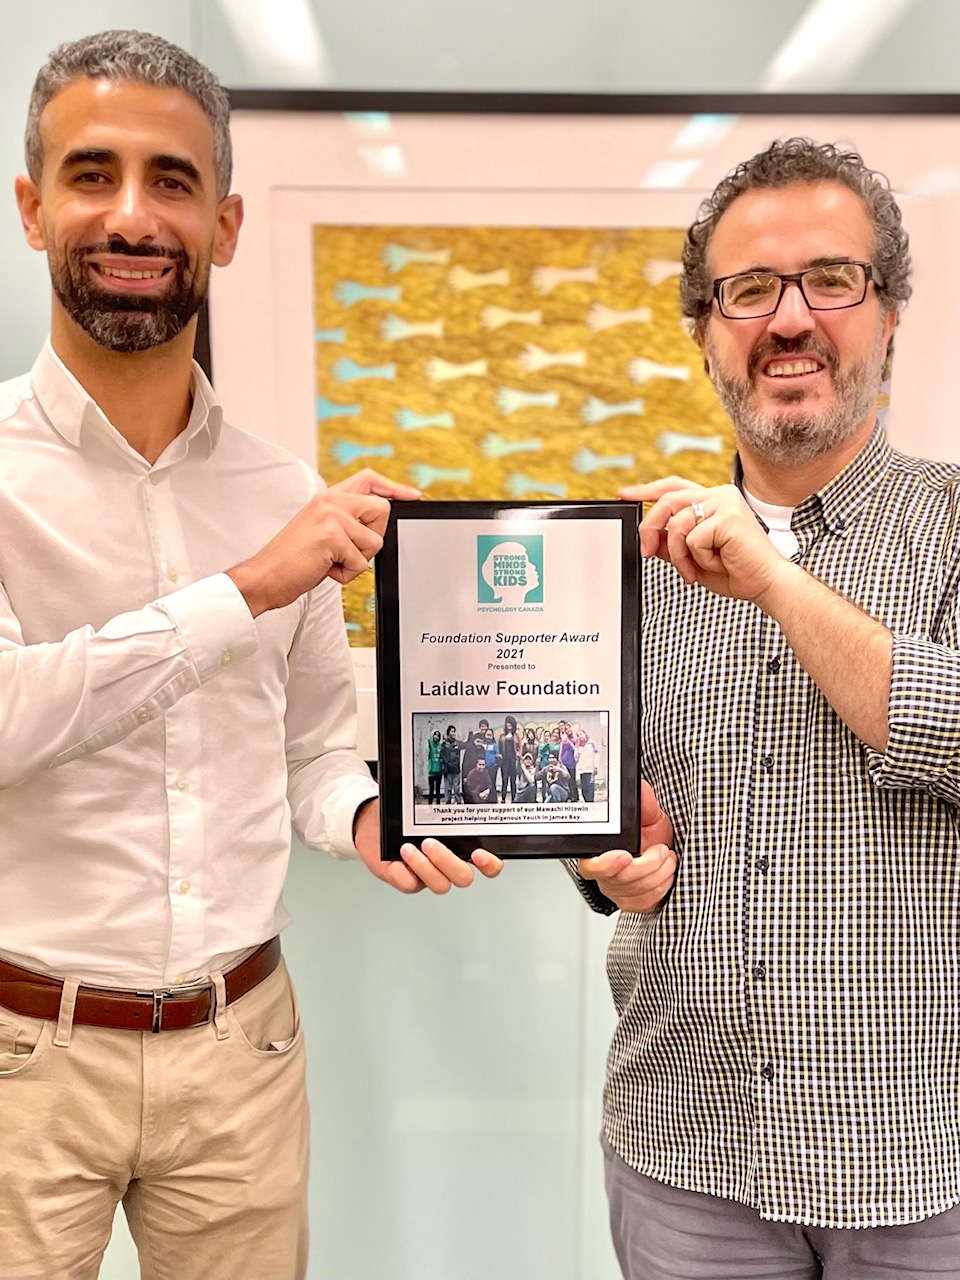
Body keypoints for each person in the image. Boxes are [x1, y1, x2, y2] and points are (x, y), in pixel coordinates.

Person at [0, 30, 501, 1280]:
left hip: (243, 1049)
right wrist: (247, 585)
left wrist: (373, 815)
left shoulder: (283, 486)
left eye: (172, 181)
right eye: (92, 173)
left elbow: (315, 748)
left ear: (223, 227)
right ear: (31, 207)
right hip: (23, 1056)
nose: (132, 213)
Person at [573, 137, 960, 1278]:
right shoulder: (632, 557)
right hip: (684, 1153)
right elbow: (596, 795)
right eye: (749, 291)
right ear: (706, 333)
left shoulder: (952, 525)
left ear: (890, 312)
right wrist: (606, 855)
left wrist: (778, 580)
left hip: (918, 1167)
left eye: (830, 279)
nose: (789, 318)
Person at [498, 713, 521, 803]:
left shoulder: (516, 734)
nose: (509, 725)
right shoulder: (502, 734)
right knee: (504, 779)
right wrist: (499, 755)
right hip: (504, 760)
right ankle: (503, 798)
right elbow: (499, 746)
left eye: (510, 723)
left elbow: (520, 745)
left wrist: (519, 754)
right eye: (507, 723)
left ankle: (514, 798)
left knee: (513, 780)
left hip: (513, 759)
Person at [425, 728, 443, 803]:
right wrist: (429, 745)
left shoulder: (440, 745)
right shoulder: (429, 745)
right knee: (431, 789)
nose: (436, 737)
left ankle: (438, 805)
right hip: (431, 771)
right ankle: (430, 805)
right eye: (435, 735)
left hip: (439, 770)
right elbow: (427, 754)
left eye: (438, 735)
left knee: (438, 789)